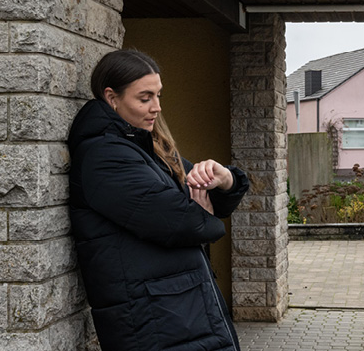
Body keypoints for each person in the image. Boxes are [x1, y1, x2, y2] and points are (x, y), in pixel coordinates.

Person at [67, 49, 248, 351]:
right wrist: (205, 219)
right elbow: (181, 222)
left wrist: (225, 178)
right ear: (112, 98)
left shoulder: (148, 148)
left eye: (158, 95)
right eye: (145, 98)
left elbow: (206, 200)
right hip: (153, 318)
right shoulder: (103, 156)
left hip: (175, 308)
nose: (157, 107)